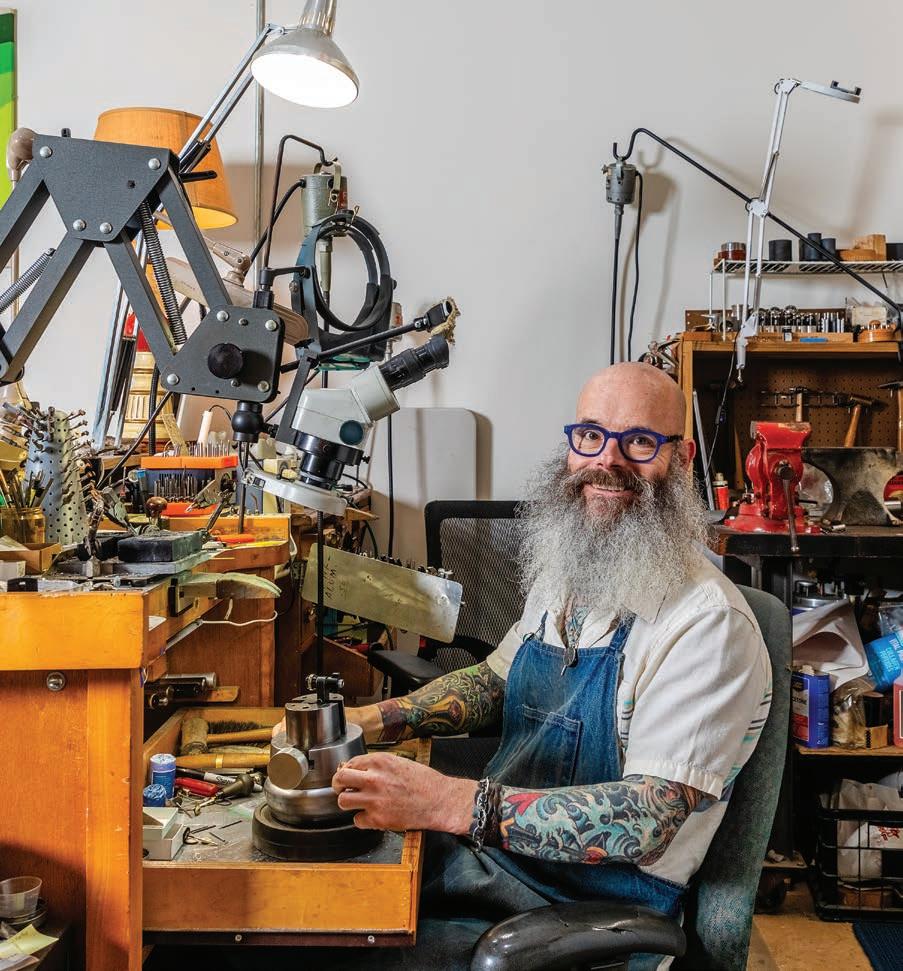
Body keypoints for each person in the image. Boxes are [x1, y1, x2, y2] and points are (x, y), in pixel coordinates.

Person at [198, 361, 771, 971]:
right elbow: (498, 681)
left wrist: (448, 801)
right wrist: (379, 718)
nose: (607, 461)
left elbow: (646, 818)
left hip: (578, 912)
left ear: (681, 461)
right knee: (277, 913)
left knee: (313, 951)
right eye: (590, 436)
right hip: (494, 863)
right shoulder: (575, 569)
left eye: (639, 442)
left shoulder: (708, 624)